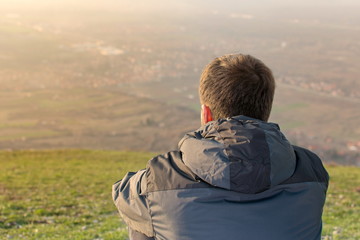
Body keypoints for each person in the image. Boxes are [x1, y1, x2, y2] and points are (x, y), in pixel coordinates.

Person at [112, 54, 329, 240]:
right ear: (265, 111)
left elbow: (122, 193)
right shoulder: (311, 171)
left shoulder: (161, 177)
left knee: (144, 215)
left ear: (206, 114)